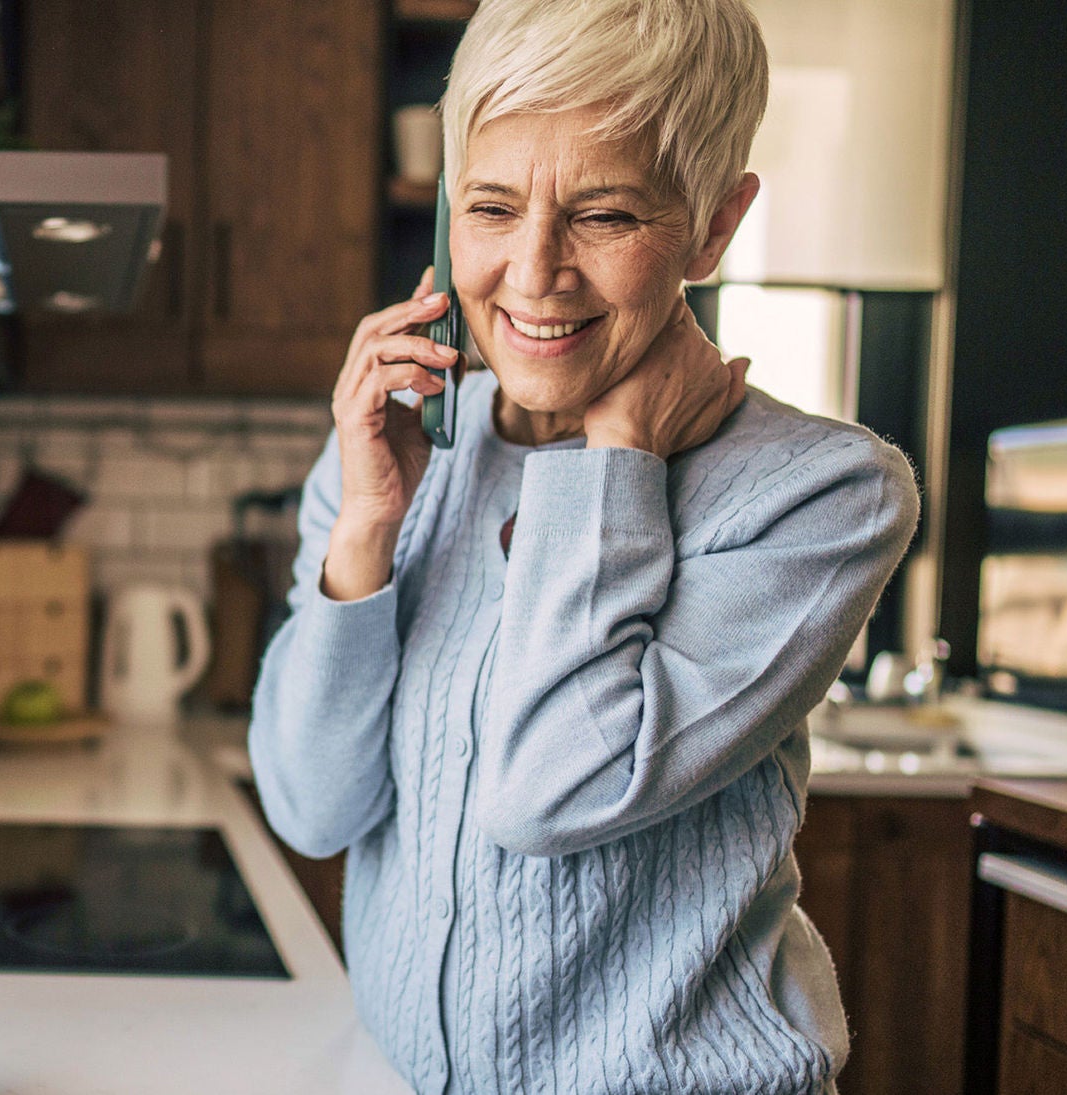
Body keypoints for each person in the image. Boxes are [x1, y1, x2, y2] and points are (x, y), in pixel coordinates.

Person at [247, 1, 919, 1092]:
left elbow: (549, 794)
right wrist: (367, 527)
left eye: (603, 215)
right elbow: (311, 807)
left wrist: (613, 459)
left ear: (711, 226)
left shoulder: (821, 496)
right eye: (490, 206)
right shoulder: (402, 448)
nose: (531, 270)